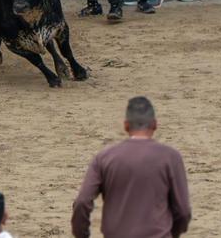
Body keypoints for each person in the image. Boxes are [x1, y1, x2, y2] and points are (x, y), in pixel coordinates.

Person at [71, 97, 191, 238]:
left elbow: (82, 202)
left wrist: (82, 234)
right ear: (154, 125)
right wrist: (173, 233)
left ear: (126, 126)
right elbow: (183, 211)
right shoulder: (170, 157)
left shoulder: (104, 157)